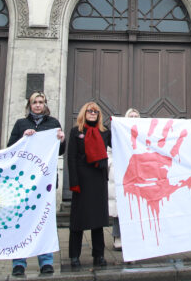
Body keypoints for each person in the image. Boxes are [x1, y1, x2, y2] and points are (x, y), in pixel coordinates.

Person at [7, 92, 66, 276]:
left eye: (41, 102)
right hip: (23, 181)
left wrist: (61, 139)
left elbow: (59, 151)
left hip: (45, 182)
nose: (38, 105)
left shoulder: (53, 123)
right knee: (21, 221)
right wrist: (23, 137)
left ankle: (46, 261)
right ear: (30, 105)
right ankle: (19, 262)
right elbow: (11, 149)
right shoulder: (21, 124)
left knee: (44, 221)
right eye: (35, 102)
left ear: (45, 104)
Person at [67, 101, 110, 269]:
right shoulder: (76, 132)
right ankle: (74, 255)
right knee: (78, 220)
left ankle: (99, 254)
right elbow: (71, 158)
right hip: (82, 180)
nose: (93, 113)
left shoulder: (105, 132)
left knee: (98, 220)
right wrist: (74, 182)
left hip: (98, 178)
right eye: (90, 111)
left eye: (96, 111)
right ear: (84, 113)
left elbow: (122, 142)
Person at [110, 107, 140, 251]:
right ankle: (118, 236)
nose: (133, 118)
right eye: (131, 116)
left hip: (138, 175)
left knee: (136, 207)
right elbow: (110, 150)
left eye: (136, 116)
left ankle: (135, 237)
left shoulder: (143, 134)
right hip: (123, 173)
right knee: (120, 207)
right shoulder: (118, 132)